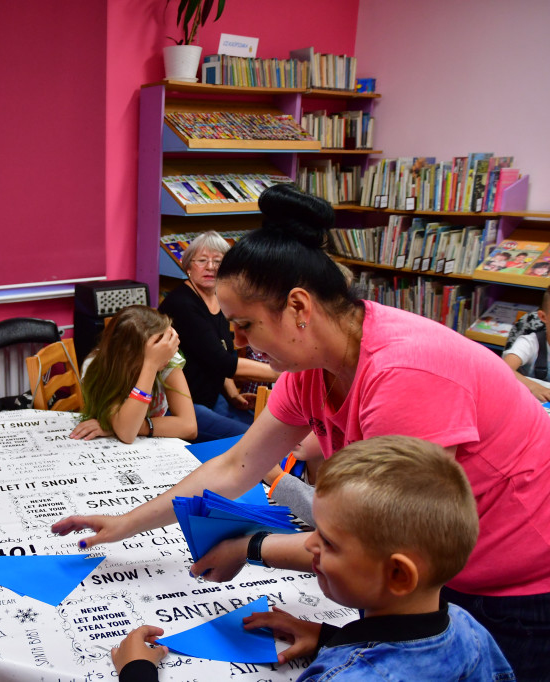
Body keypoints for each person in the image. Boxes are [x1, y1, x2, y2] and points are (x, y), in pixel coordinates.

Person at [53, 184, 550, 679]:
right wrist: (124, 524)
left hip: (511, 589)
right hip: (426, 585)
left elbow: (376, 540)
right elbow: (234, 466)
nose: (240, 342)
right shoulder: (311, 369)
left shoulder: (403, 377)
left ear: (298, 308)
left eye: (246, 325)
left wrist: (250, 548)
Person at [113, 436, 515, 681]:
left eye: (329, 542)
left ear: (398, 574)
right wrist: (328, 639)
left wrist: (137, 671)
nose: (308, 546)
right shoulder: (468, 628)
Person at [158, 232, 279, 441]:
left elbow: (220, 355)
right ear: (188, 266)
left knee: (267, 429)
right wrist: (283, 373)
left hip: (213, 398)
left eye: (218, 261)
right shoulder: (182, 305)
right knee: (254, 439)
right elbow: (223, 362)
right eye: (202, 261)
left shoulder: (217, 298)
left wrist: (233, 396)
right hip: (182, 405)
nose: (211, 267)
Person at [69, 306, 197, 443]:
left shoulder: (164, 356)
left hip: (165, 422)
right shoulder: (98, 366)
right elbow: (127, 434)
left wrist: (128, 426)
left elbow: (189, 427)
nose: (168, 353)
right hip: (153, 431)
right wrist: (151, 366)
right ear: (129, 355)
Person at [502, 285, 550, 402]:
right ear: (543, 317)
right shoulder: (530, 343)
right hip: (531, 407)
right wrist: (534, 387)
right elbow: (502, 370)